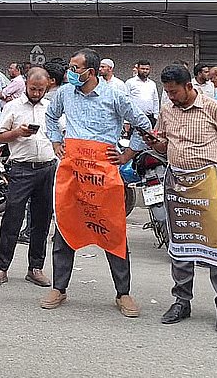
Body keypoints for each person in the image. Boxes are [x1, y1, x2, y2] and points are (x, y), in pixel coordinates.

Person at [43, 48, 155, 318]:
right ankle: (59, 288)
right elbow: (50, 116)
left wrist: (128, 154)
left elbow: (143, 123)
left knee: (113, 232)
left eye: (75, 68)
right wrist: (56, 141)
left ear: (90, 72)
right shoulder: (64, 94)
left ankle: (123, 293)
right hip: (72, 175)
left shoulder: (115, 95)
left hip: (104, 177)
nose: (70, 72)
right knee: (66, 228)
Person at [154, 64, 217, 333]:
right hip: (177, 183)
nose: (171, 97)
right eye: (167, 92)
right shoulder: (167, 109)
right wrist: (155, 144)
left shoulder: (215, 109)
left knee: (216, 243)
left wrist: (208, 172)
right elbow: (163, 142)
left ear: (189, 86)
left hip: (208, 184)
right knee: (180, 242)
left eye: (175, 92)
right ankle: (182, 301)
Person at [0, 66, 57, 289]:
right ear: (25, 84)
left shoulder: (52, 108)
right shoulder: (13, 106)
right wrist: (18, 132)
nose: (36, 93)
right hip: (21, 169)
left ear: (48, 86)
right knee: (12, 219)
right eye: (33, 88)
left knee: (42, 220)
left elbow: (60, 134)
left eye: (41, 89)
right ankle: (1, 268)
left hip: (47, 168)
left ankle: (35, 268)